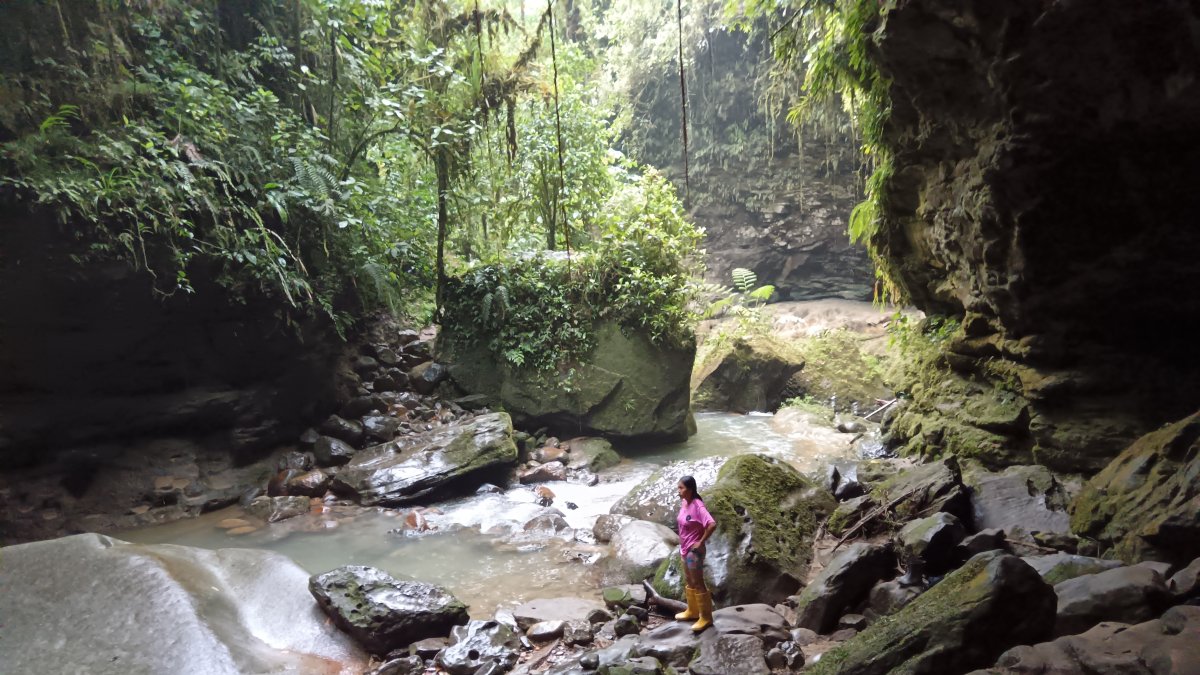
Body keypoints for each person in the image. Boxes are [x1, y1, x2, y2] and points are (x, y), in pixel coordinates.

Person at [674, 475, 716, 631]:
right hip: (684, 549)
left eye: (681, 488)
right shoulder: (685, 502)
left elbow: (711, 524)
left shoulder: (698, 506)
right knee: (689, 580)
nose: (678, 490)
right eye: (678, 487)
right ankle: (692, 611)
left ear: (690, 490)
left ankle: (706, 617)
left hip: (694, 552)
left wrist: (701, 541)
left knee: (698, 582)